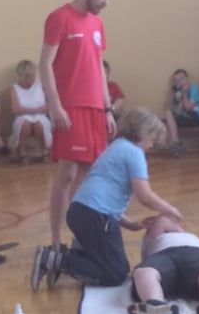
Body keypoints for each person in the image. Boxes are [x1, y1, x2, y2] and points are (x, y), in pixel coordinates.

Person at [30, 108, 181, 291]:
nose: (151, 146)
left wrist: (131, 224)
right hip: (93, 216)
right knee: (115, 274)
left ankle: (78, 253)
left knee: (120, 267)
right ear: (143, 133)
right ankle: (55, 259)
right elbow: (145, 195)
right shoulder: (134, 153)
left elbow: (104, 203)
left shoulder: (117, 146)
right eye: (152, 140)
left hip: (81, 212)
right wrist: (169, 209)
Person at [38, 0, 118, 247]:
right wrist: (55, 106)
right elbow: (45, 64)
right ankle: (56, 240)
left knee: (87, 176)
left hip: (95, 109)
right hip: (70, 107)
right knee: (67, 174)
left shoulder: (97, 24)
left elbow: (98, 69)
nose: (105, 3)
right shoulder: (59, 18)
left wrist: (107, 109)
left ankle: (81, 237)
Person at [9, 59, 52, 163]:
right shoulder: (14, 89)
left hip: (40, 117)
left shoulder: (40, 86)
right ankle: (22, 153)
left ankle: (45, 152)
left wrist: (43, 108)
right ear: (21, 77)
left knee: (39, 125)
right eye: (27, 77)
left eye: (32, 76)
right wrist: (35, 110)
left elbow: (50, 103)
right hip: (22, 117)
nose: (31, 79)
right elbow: (15, 109)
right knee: (25, 124)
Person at [164, 68, 199, 155]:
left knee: (168, 113)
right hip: (187, 117)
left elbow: (188, 107)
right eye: (177, 80)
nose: (180, 81)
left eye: (182, 78)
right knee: (164, 122)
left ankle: (176, 143)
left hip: (198, 117)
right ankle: (174, 146)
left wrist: (184, 93)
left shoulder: (195, 88)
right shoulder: (179, 92)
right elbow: (179, 110)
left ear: (187, 78)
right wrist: (179, 93)